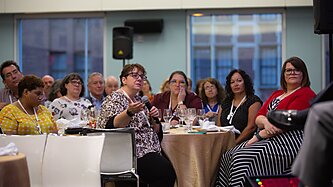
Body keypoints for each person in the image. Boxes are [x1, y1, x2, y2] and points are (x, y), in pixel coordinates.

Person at [214, 56, 316, 187]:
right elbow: (259, 116)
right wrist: (266, 123)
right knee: (227, 155)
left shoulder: (305, 93)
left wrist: (256, 137)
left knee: (240, 159)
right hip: (269, 137)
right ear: (283, 74)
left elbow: (286, 124)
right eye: (288, 70)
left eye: (296, 70)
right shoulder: (277, 94)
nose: (292, 73)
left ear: (303, 74)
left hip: (288, 141)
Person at [96, 63, 176, 187]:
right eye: (134, 75)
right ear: (124, 79)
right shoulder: (114, 98)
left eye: (142, 76)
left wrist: (154, 119)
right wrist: (129, 112)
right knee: (165, 172)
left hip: (149, 149)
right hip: (130, 152)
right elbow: (110, 126)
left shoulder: (139, 99)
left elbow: (154, 130)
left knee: (174, 165)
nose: (139, 78)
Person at [217, 69, 262, 144]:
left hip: (245, 143)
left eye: (239, 81)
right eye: (232, 82)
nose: (236, 84)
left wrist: (234, 144)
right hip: (224, 142)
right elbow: (219, 126)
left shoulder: (253, 101)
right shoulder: (226, 102)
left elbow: (251, 127)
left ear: (245, 83)